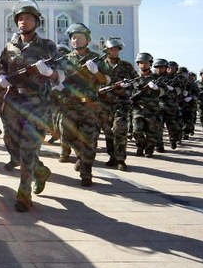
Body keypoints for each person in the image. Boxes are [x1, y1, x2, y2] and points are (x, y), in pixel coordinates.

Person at [0, 0, 62, 209]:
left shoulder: (47, 46)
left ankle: (24, 195)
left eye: (29, 18)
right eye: (21, 18)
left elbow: (65, 71)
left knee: (28, 148)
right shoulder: (10, 46)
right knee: (12, 145)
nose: (24, 22)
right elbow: (1, 67)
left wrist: (50, 73)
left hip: (37, 102)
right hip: (13, 100)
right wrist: (1, 77)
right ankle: (40, 171)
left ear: (36, 22)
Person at [57, 23, 109, 187]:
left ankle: (86, 173)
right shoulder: (65, 60)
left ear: (87, 39)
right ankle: (81, 156)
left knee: (88, 140)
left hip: (89, 106)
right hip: (70, 105)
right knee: (67, 136)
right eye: (73, 38)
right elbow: (57, 78)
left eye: (80, 37)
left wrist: (96, 72)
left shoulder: (96, 58)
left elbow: (106, 80)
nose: (76, 40)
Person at [98, 37, 137, 171]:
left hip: (121, 103)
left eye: (115, 49)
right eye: (110, 49)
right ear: (106, 50)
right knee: (108, 131)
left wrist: (126, 88)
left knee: (119, 130)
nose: (113, 51)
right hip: (104, 104)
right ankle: (112, 156)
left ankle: (121, 159)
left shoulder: (126, 66)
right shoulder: (100, 65)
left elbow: (136, 82)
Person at [130, 53, 164, 157]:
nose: (143, 65)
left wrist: (157, 88)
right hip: (138, 109)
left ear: (150, 64)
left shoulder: (157, 78)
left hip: (152, 109)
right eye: (141, 63)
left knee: (152, 132)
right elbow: (129, 92)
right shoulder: (134, 78)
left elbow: (165, 91)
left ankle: (149, 150)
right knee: (136, 131)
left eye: (146, 63)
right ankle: (141, 145)